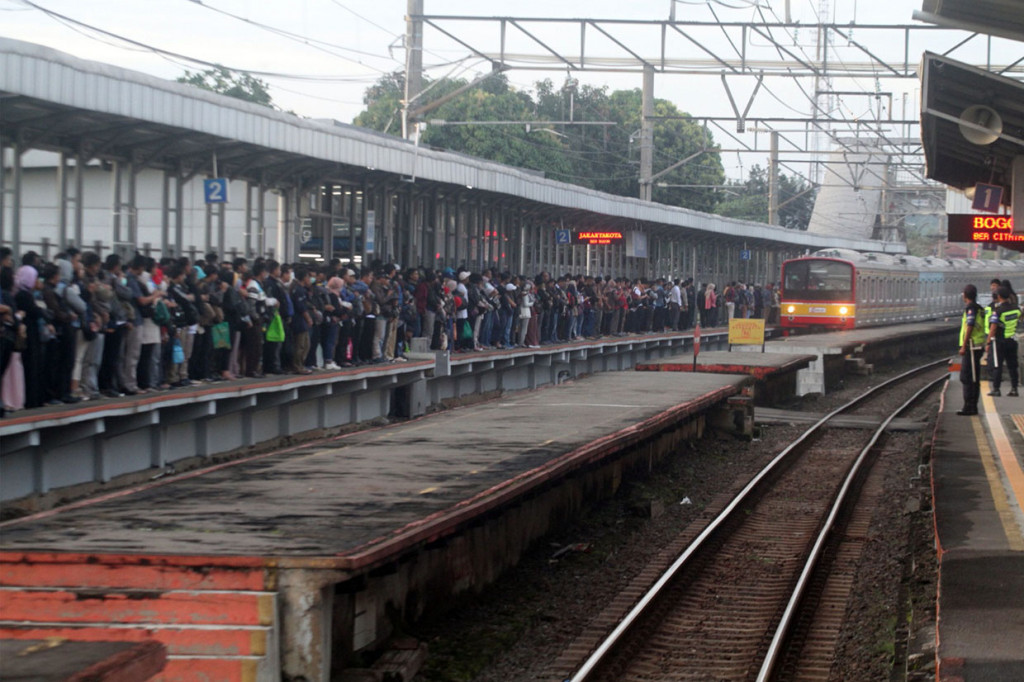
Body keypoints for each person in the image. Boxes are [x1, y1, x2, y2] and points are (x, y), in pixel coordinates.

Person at [957, 284, 988, 416]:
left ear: (965, 295)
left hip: (971, 346)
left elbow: (969, 326)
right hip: (978, 345)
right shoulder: (980, 308)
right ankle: (972, 406)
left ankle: (969, 407)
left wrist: (964, 345)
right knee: (974, 377)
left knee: (967, 377)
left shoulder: (970, 308)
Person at [985, 285, 1020, 397]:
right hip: (1012, 340)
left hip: (999, 342)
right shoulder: (1016, 309)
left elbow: (993, 328)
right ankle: (1014, 389)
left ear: (999, 296)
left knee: (997, 365)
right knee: (1012, 366)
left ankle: (996, 389)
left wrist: (988, 342)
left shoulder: (998, 311)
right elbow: (1020, 317)